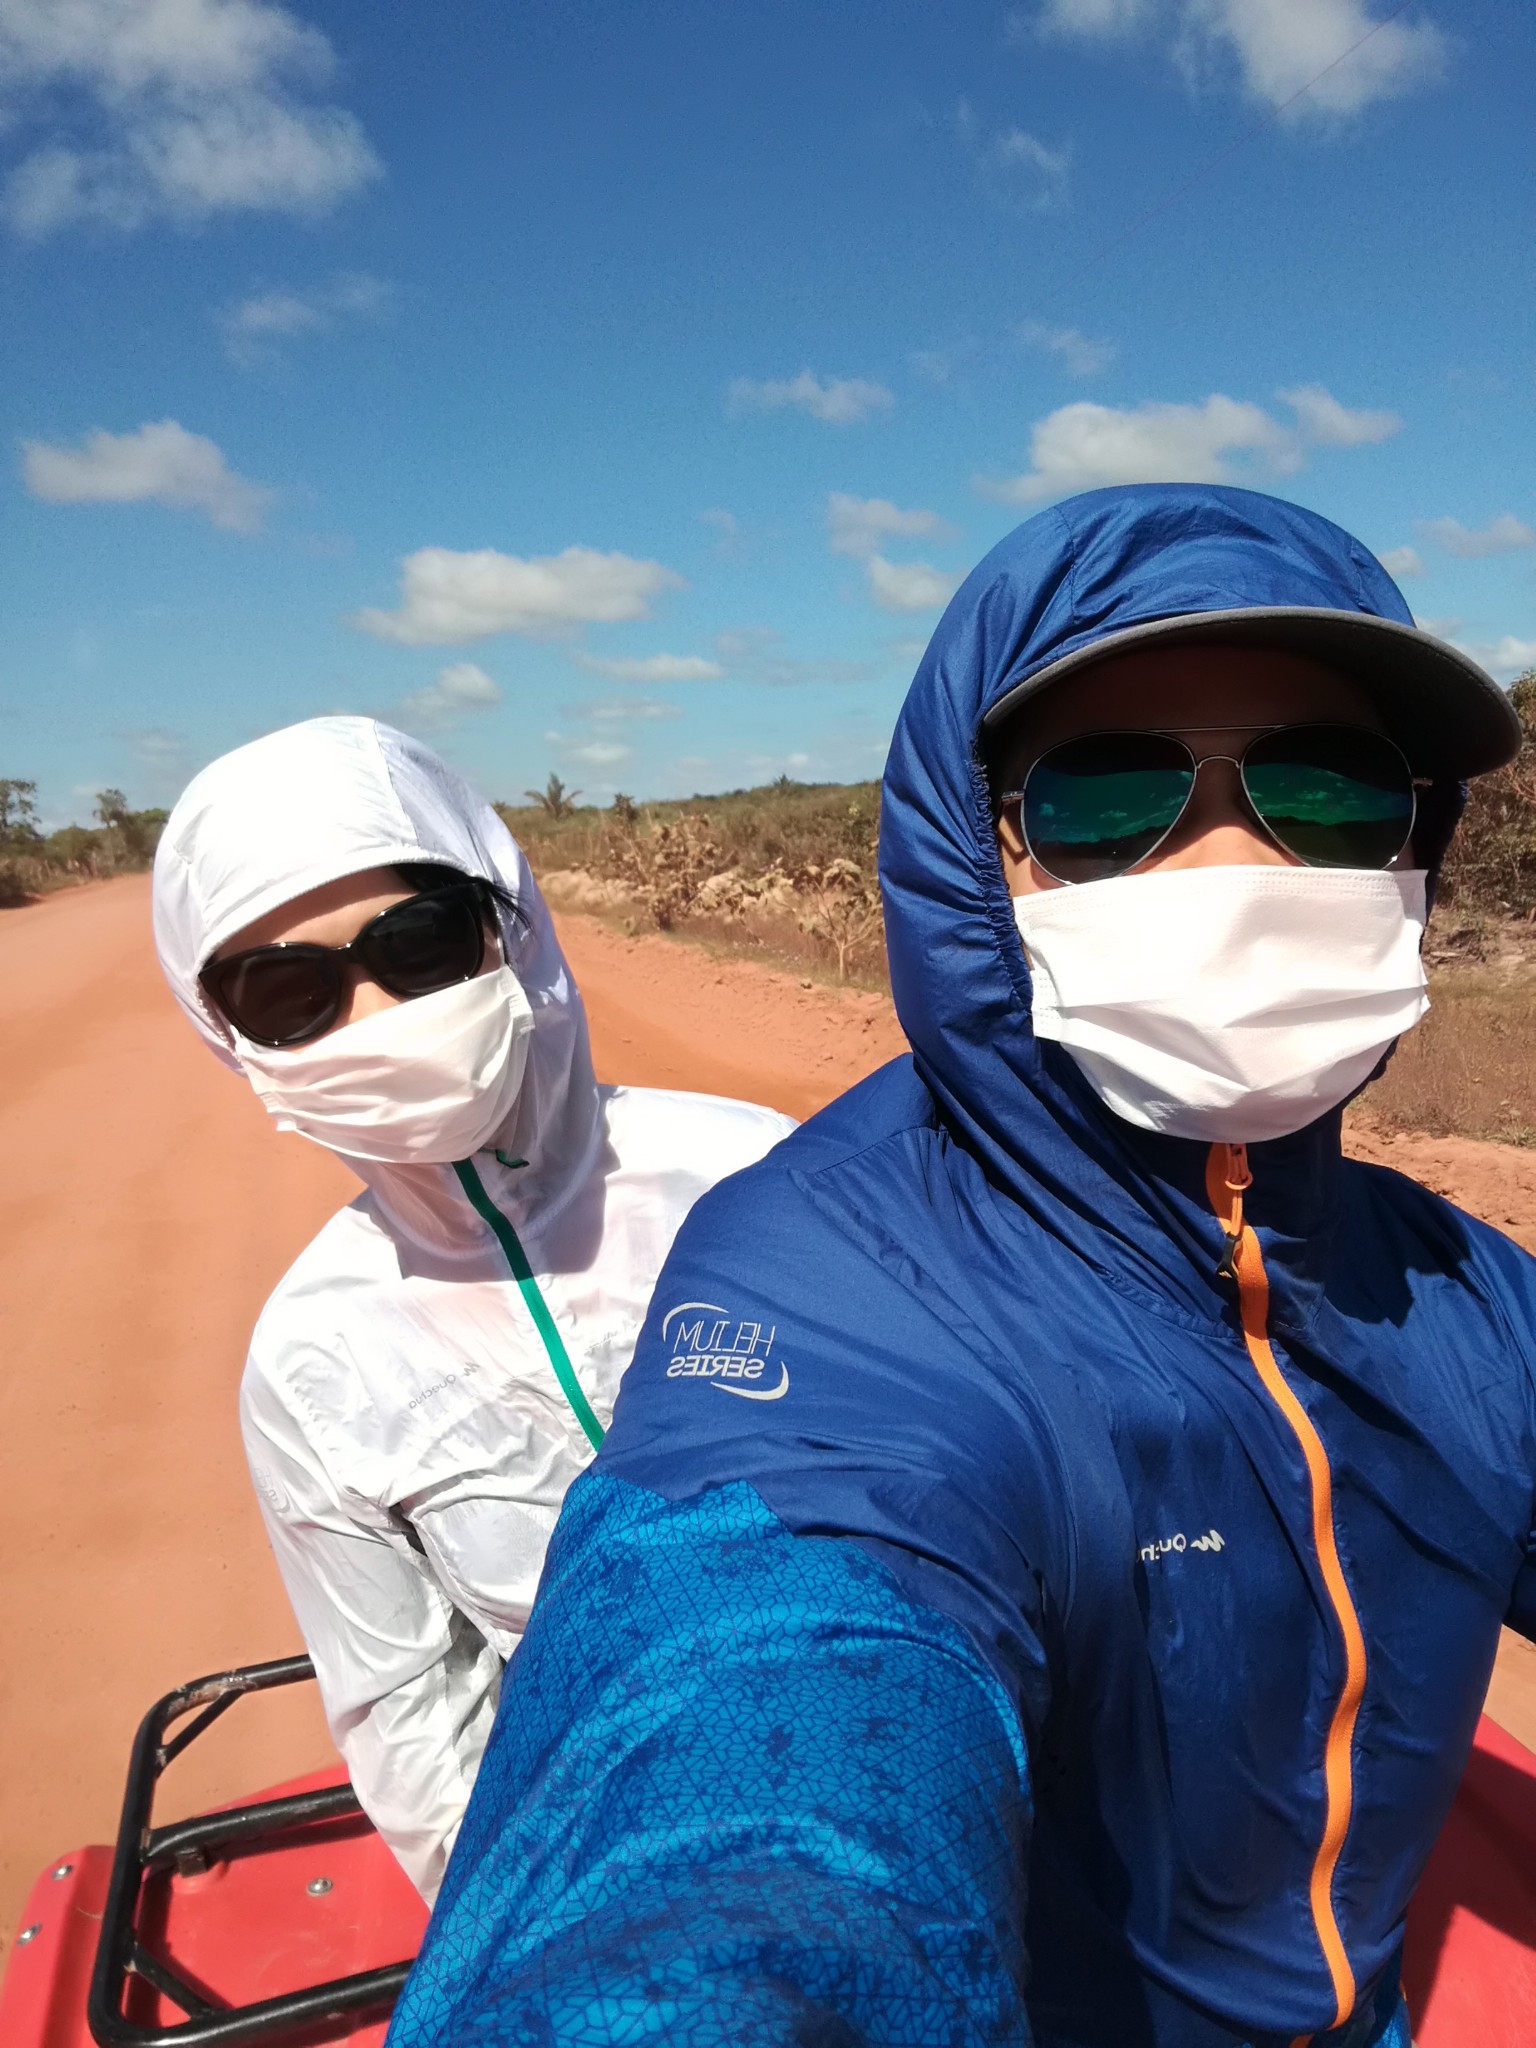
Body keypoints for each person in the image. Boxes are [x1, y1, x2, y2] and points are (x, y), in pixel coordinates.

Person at [384, 485, 1536, 2048]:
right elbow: (757, 1729)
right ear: (978, 853)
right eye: (1103, 796)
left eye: (1325, 788)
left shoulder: (1458, 1289)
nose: (1223, 862)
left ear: (1420, 845)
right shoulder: (832, 1294)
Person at [151, 715, 795, 1901]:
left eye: (420, 940)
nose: (375, 1011)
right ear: (232, 1038)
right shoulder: (312, 1360)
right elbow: (415, 1726)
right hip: (616, 1847)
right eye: (287, 988)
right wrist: (532, 1929)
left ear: (512, 928)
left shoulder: (763, 1175)